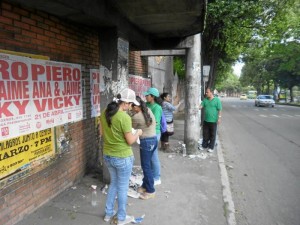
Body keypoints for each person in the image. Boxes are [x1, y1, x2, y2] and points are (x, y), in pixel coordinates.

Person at [100, 88, 143, 225]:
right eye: (131, 105)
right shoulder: (124, 117)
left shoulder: (104, 113)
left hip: (108, 155)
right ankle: (121, 218)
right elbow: (130, 141)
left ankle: (108, 213)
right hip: (123, 157)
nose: (131, 107)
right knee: (123, 188)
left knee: (114, 183)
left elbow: (102, 133)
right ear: (125, 103)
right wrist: (138, 133)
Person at [131, 96, 157, 200]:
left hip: (146, 141)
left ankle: (150, 190)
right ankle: (145, 185)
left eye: (132, 107)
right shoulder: (148, 110)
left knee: (146, 167)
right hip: (153, 140)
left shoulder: (136, 117)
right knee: (148, 165)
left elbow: (130, 127)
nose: (131, 109)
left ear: (136, 107)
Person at [143, 87, 162, 186]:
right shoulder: (146, 105)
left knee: (153, 156)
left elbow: (156, 122)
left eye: (147, 95)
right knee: (148, 156)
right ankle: (151, 175)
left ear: (152, 97)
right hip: (147, 133)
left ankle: (157, 177)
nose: (145, 97)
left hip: (155, 133)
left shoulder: (157, 107)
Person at [199, 88, 222, 153]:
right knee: (205, 134)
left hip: (213, 121)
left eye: (207, 92)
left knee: (212, 134)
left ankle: (211, 147)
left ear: (211, 92)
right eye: (206, 92)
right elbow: (201, 106)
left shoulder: (217, 100)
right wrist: (198, 107)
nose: (206, 93)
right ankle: (204, 145)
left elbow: (219, 109)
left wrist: (219, 118)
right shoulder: (205, 100)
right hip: (206, 120)